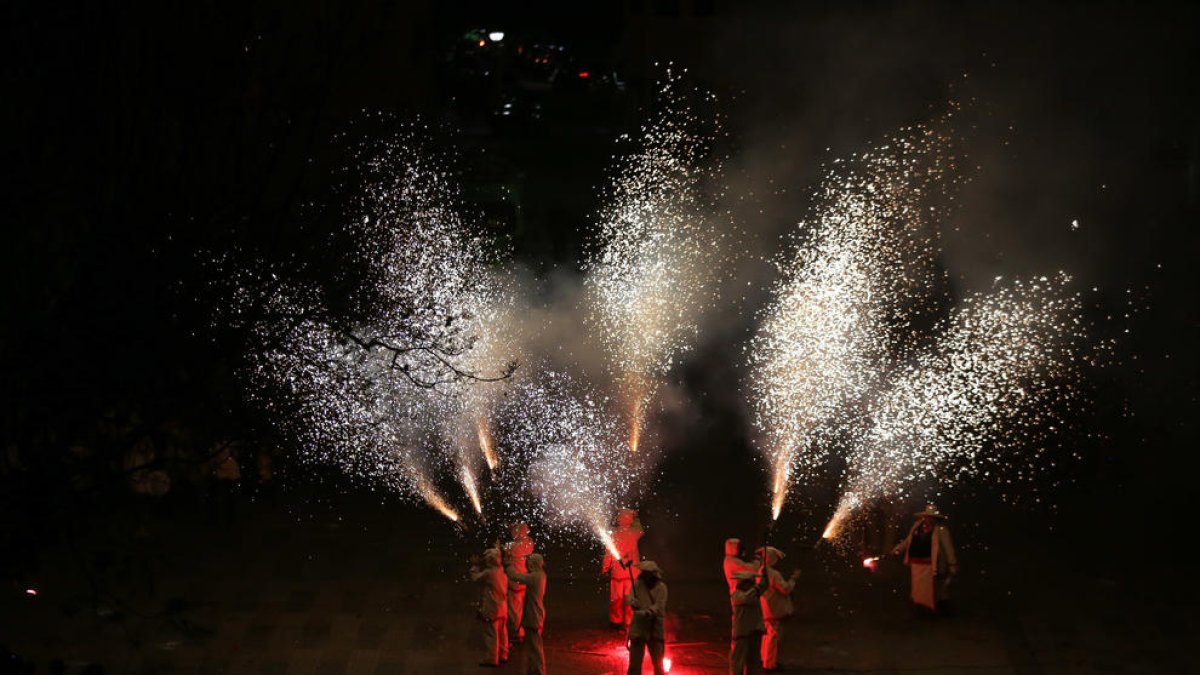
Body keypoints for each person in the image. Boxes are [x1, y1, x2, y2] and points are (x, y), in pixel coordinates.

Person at [891, 504, 957, 612]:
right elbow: (908, 540)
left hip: (933, 565)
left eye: (932, 517)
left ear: (935, 518)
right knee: (919, 589)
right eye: (927, 516)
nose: (929, 519)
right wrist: (898, 549)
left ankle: (939, 609)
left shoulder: (941, 530)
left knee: (937, 589)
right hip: (917, 564)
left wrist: (952, 563)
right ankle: (921, 608)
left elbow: (948, 547)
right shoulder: (917, 526)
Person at [505, 551, 548, 675]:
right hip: (537, 614)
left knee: (535, 646)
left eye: (530, 562)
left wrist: (508, 564)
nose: (528, 564)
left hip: (533, 615)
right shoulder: (541, 575)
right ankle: (534, 669)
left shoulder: (534, 577)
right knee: (533, 645)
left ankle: (539, 671)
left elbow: (515, 576)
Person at [758, 547, 800, 672]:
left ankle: (765, 660)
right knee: (773, 637)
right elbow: (785, 589)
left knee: (767, 636)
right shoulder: (773, 574)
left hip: (765, 608)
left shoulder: (760, 570)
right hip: (774, 609)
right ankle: (769, 665)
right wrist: (793, 579)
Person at [600, 507, 644, 627]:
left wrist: (605, 568)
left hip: (618, 573)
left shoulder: (614, 533)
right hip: (631, 573)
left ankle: (616, 622)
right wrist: (636, 516)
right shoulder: (634, 532)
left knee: (616, 599)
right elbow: (641, 529)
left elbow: (608, 552)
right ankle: (630, 622)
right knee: (630, 599)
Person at [730, 557, 770, 675]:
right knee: (738, 663)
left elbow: (763, 586)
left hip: (754, 632)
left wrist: (765, 576)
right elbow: (747, 597)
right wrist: (757, 587)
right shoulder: (737, 595)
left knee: (753, 662)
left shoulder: (753, 594)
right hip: (742, 633)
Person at [626, 560, 668, 675]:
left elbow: (659, 605)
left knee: (658, 662)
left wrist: (649, 612)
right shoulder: (637, 585)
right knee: (634, 663)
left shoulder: (661, 588)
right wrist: (633, 602)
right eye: (645, 573)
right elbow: (630, 598)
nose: (646, 576)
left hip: (654, 627)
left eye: (648, 573)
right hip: (638, 627)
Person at [471, 548, 509, 667]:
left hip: (492, 608)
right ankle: (503, 654)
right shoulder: (501, 570)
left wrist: (474, 565)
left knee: (491, 634)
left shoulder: (489, 573)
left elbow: (475, 578)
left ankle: (492, 658)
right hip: (502, 606)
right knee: (502, 632)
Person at [505, 522, 536, 645]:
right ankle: (519, 631)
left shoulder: (512, 546)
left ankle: (515, 633)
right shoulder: (529, 543)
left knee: (514, 610)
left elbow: (506, 548)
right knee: (520, 608)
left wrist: (513, 528)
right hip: (523, 580)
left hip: (515, 582)